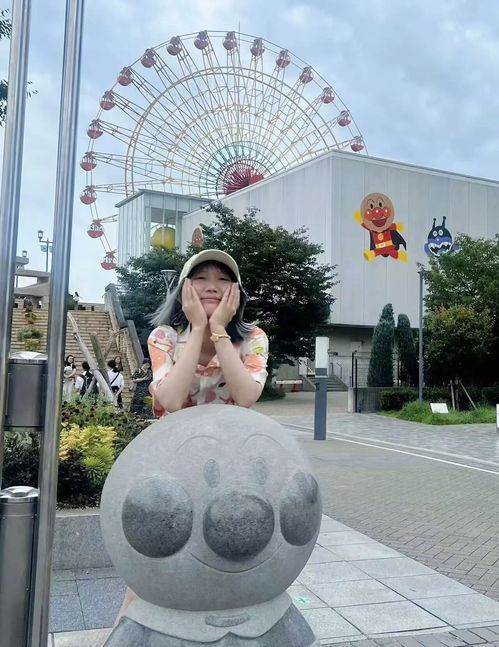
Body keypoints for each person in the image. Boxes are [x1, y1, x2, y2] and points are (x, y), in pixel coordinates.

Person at [114, 249, 268, 626]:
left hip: (229, 466)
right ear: (184, 288)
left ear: (236, 292)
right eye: (201, 278)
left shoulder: (253, 338)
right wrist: (198, 328)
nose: (212, 286)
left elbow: (246, 396)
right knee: (155, 564)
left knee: (228, 553)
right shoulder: (164, 337)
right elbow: (169, 399)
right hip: (173, 464)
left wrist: (219, 331)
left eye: (223, 279)